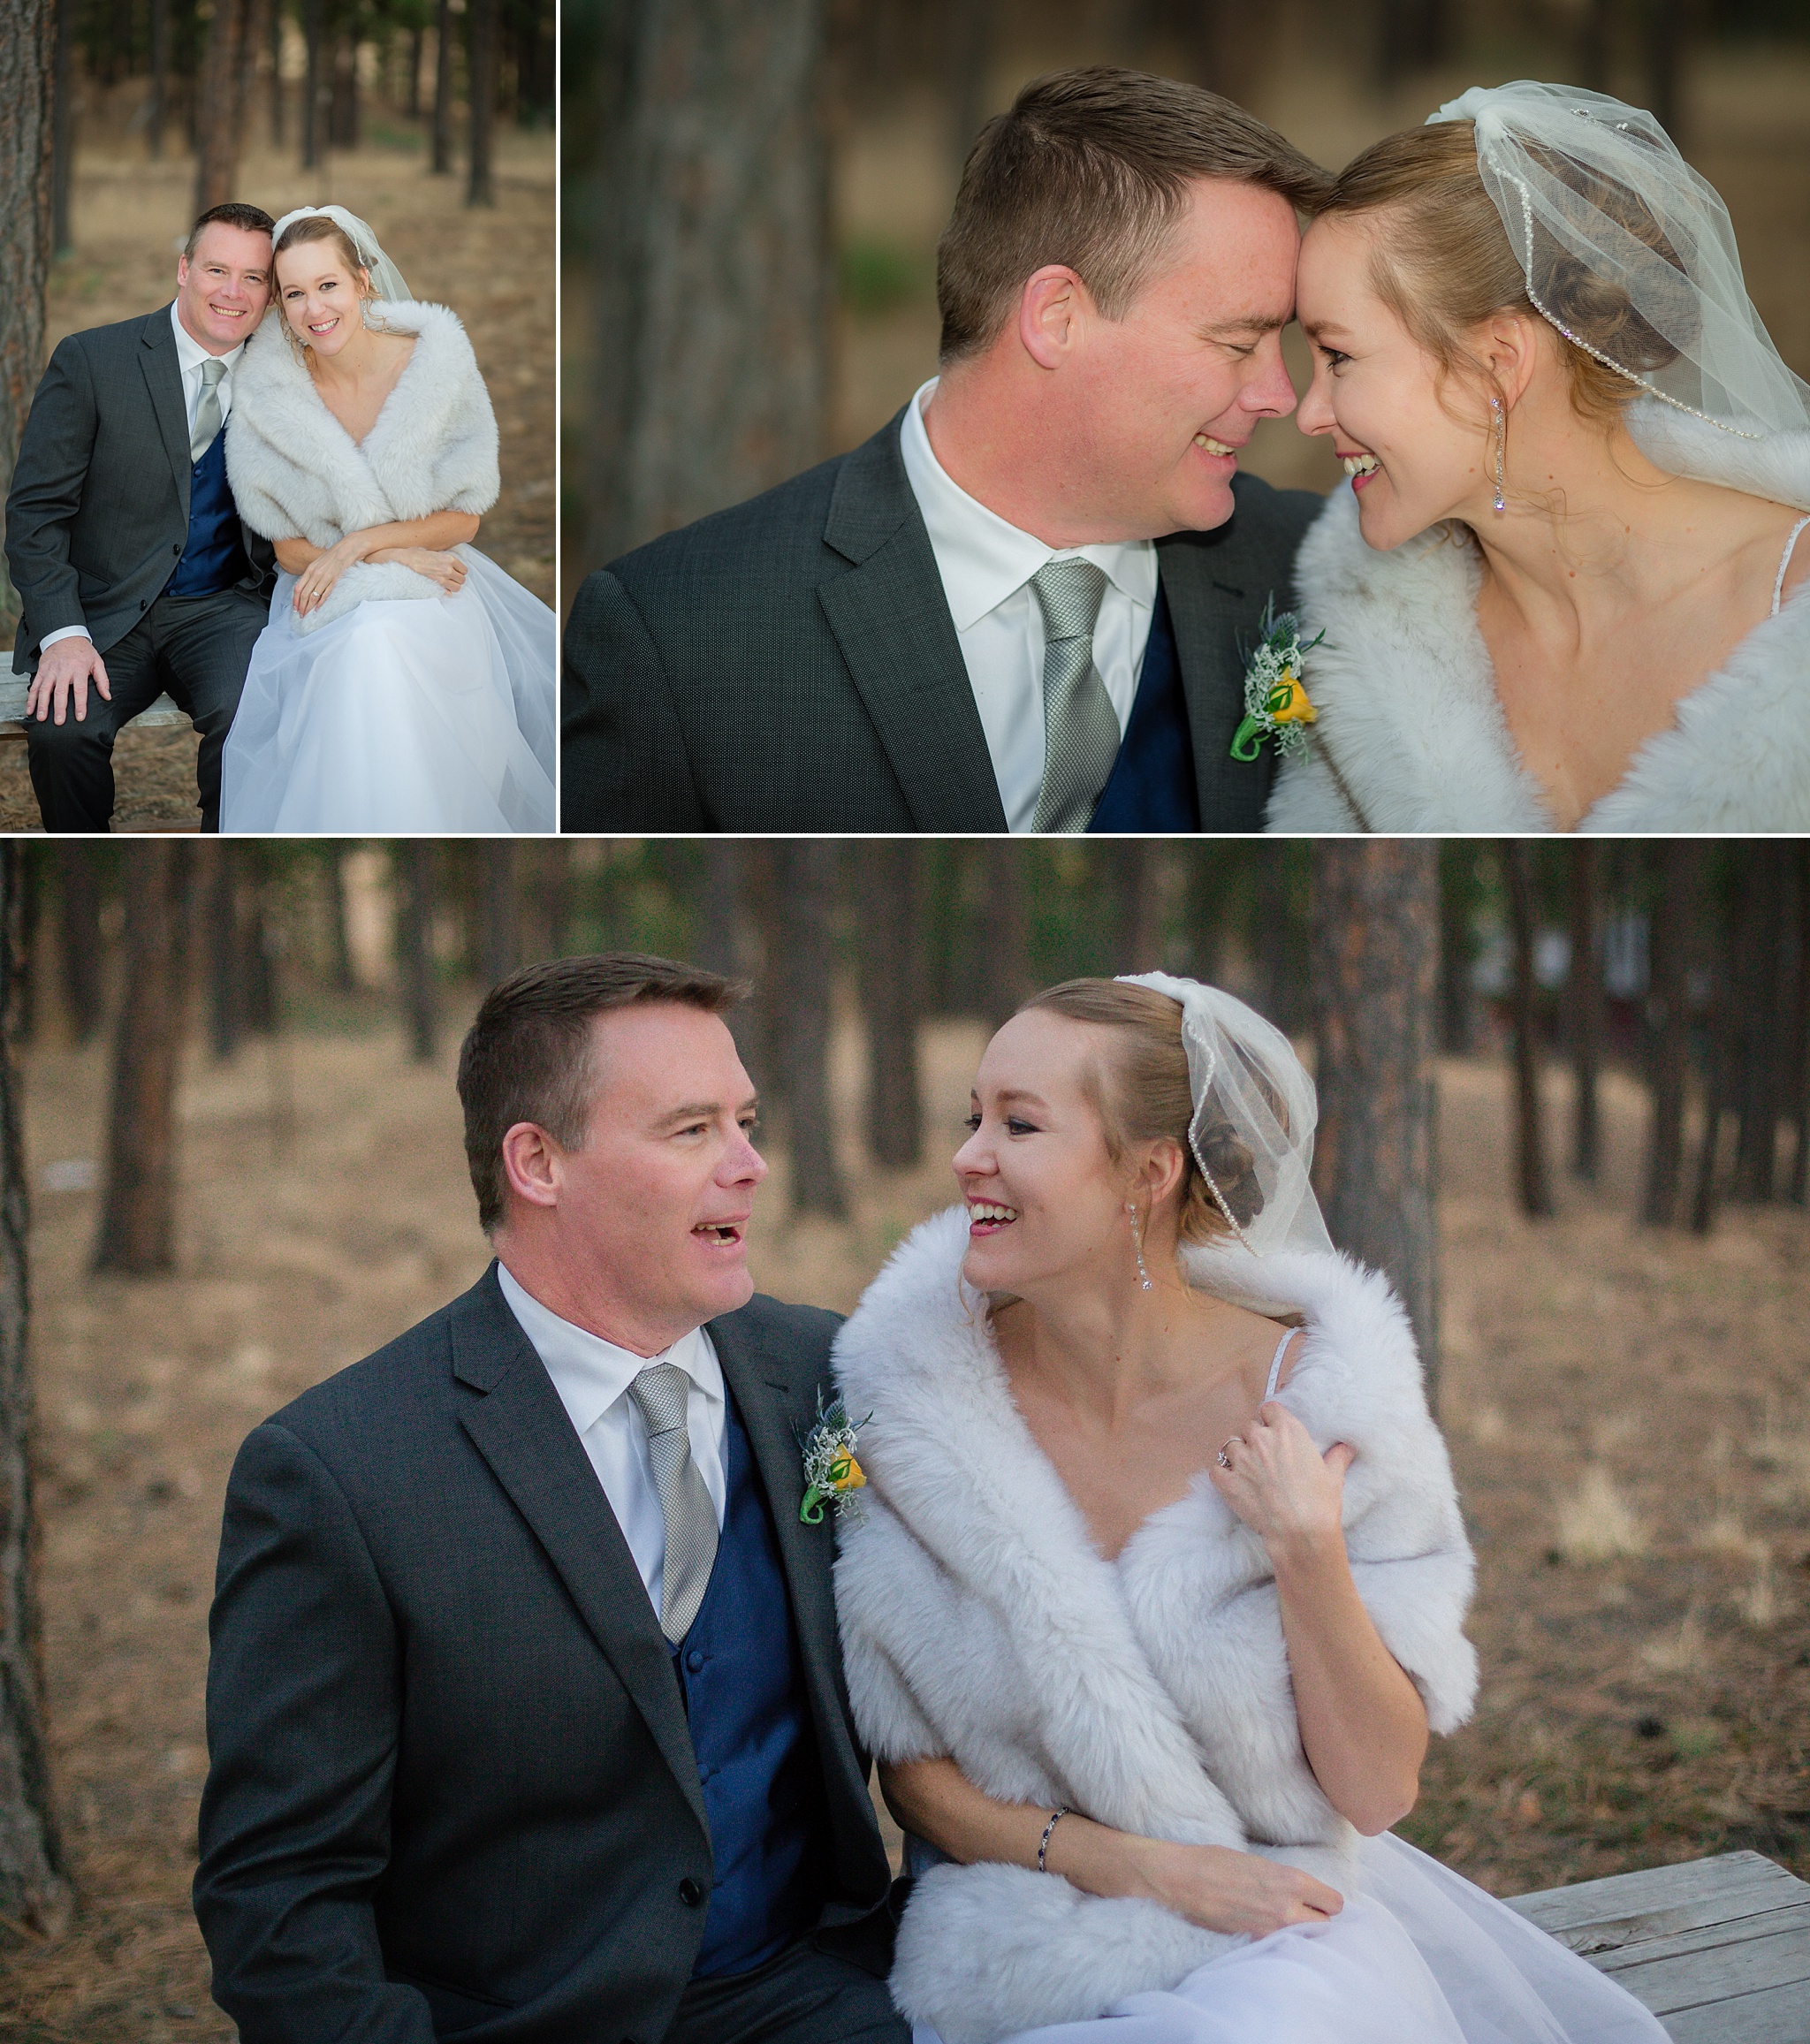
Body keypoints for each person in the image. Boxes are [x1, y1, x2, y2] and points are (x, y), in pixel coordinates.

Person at [829, 975, 1670, 2043]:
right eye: (974, 1117)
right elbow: (913, 1775)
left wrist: (1305, 1546)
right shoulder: (911, 1408)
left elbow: (1372, 1792)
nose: (967, 1157)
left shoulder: (1324, 1401)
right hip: (1013, 1938)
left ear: (1147, 1171)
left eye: (1020, 1123)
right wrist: (1148, 1870)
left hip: (1285, 1936)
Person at [194, 953, 908, 2044]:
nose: (752, 1164)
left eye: (746, 1120)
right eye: (691, 1130)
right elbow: (282, 1900)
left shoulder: (820, 1375)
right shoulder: (339, 1470)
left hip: (816, 1993)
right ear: (537, 1161)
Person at [562, 68, 1331, 834]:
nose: (1280, 394)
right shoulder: (678, 635)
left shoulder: (1321, 568)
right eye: (1239, 342)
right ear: (1056, 316)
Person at [1271, 81, 1810, 833]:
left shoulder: (1793, 610)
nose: (1308, 412)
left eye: (1338, 355)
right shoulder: (1363, 650)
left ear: (1498, 360)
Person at [217, 205, 556, 832]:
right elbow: (289, 548)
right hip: (321, 594)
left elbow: (464, 517)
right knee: (362, 648)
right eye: (294, 293)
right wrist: (380, 556)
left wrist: (358, 546)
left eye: (328, 286)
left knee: (382, 645)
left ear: (363, 280)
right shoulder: (267, 391)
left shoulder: (436, 364)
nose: (315, 310)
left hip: (437, 588)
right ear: (279, 304)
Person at [4, 202, 279, 832]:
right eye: (216, 270)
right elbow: (35, 514)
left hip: (222, 606)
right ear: (184, 270)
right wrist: (63, 633)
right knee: (62, 733)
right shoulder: (93, 361)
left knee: (254, 717)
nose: (232, 293)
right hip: (99, 609)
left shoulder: (284, 374)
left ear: (268, 293)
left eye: (253, 278)